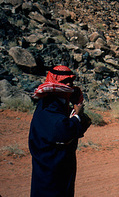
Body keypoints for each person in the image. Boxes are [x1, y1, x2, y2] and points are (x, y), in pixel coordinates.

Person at [29, 65, 91, 197]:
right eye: (64, 82)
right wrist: (77, 116)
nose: (69, 85)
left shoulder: (60, 104)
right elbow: (64, 131)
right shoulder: (49, 106)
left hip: (60, 167)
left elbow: (79, 126)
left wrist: (78, 116)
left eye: (71, 82)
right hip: (50, 169)